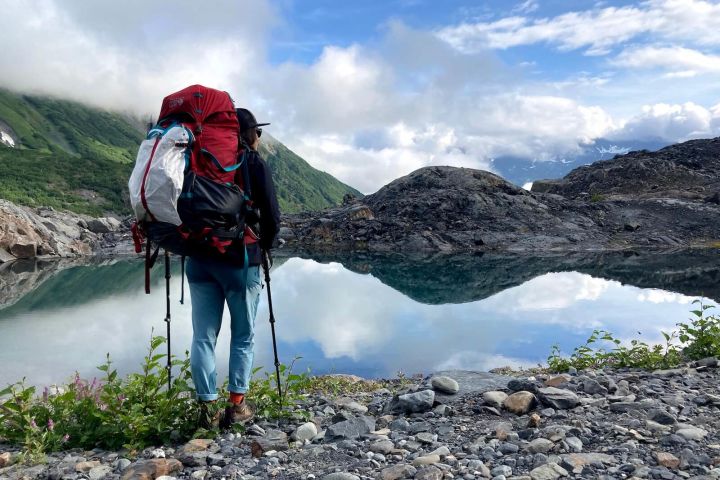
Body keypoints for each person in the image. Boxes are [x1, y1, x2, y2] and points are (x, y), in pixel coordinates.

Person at [187, 107, 281, 429]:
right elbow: (272, 216)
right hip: (241, 260)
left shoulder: (198, 161)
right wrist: (265, 245)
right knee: (242, 336)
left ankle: (207, 408)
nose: (259, 138)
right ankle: (236, 407)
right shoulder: (253, 163)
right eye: (258, 132)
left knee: (203, 336)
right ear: (250, 134)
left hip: (199, 259)